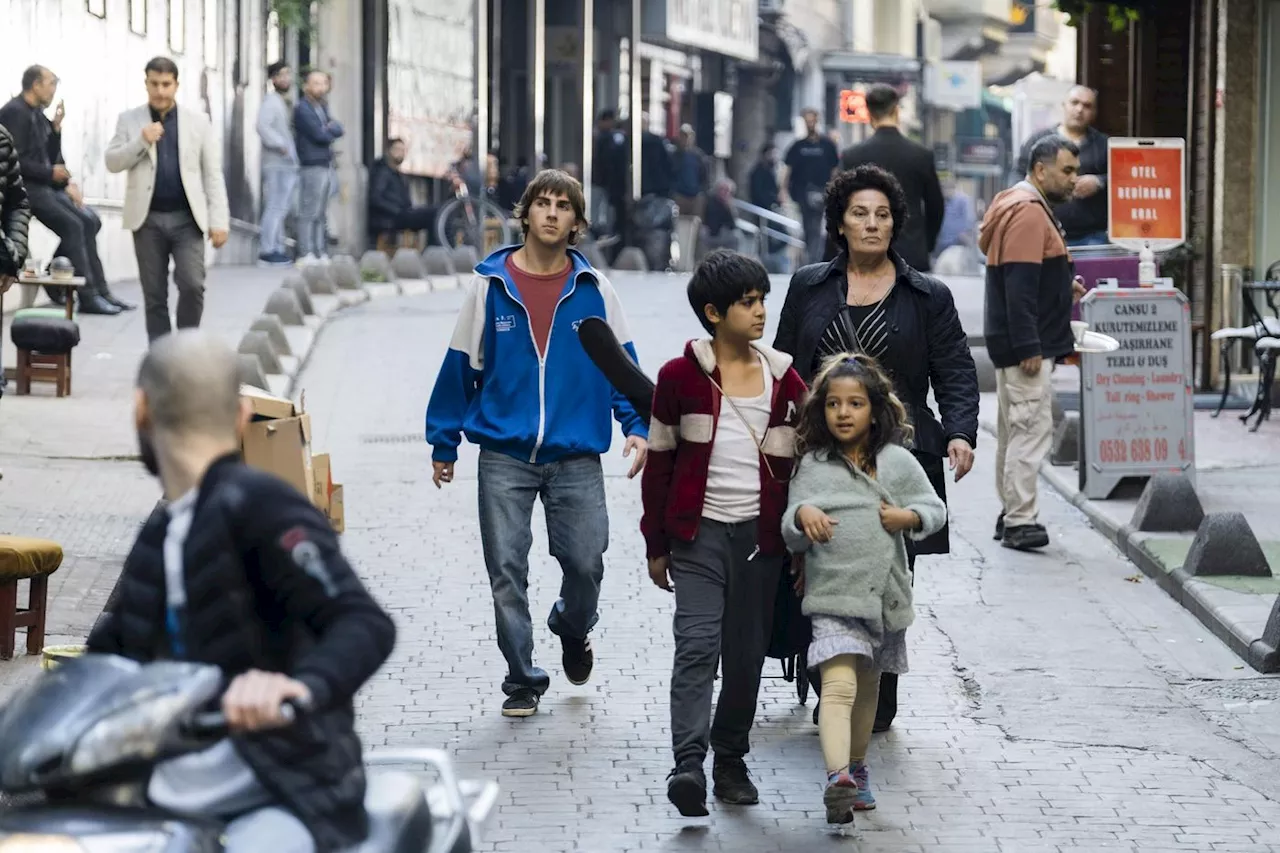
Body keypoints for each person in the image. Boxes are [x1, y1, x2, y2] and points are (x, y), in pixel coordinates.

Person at [85, 329, 397, 853]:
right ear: (242, 415)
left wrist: (296, 688)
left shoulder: (262, 506)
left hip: (282, 792)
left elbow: (362, 621)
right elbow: (112, 654)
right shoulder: (158, 535)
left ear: (141, 410)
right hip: (163, 799)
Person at [425, 169, 649, 718]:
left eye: (563, 206)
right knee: (506, 569)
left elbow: (623, 371)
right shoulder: (490, 284)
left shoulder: (596, 290)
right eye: (542, 203)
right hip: (504, 453)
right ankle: (522, 678)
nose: (551, 213)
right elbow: (460, 367)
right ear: (525, 214)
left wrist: (639, 428)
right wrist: (444, 442)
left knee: (587, 561)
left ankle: (573, 627)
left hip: (576, 454)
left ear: (576, 221)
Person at [773, 164, 978, 732]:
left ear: (895, 224)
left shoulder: (927, 295)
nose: (871, 224)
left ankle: (878, 682)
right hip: (822, 455)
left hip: (899, 457)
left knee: (889, 574)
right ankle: (833, 683)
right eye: (860, 214)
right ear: (840, 223)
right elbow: (785, 368)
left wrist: (960, 431)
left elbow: (955, 368)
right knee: (821, 566)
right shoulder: (809, 285)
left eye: (882, 215)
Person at [642, 249, 808, 818]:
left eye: (763, 298)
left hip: (761, 542)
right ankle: (687, 763)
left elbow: (807, 467)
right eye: (747, 302)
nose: (761, 311)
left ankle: (730, 760)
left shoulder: (786, 381)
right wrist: (656, 543)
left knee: (744, 657)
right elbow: (660, 466)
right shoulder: (678, 378)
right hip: (697, 537)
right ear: (714, 312)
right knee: (696, 648)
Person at [782, 353, 946, 825]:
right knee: (837, 687)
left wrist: (908, 517)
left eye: (855, 403)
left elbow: (933, 509)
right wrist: (802, 516)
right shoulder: (812, 465)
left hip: (884, 599)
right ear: (821, 410)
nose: (844, 412)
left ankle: (857, 767)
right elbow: (789, 529)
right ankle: (837, 779)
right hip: (832, 596)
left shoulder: (896, 462)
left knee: (868, 689)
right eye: (833, 404)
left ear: (875, 409)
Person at [980, 135, 1087, 551]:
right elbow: (1019, 285)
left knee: (1015, 430)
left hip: (1022, 341)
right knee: (1030, 430)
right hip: (1027, 345)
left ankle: (1011, 514)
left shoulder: (1023, 207)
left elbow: (1028, 278)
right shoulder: (1028, 213)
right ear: (1041, 170)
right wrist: (1029, 346)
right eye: (1067, 171)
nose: (1074, 180)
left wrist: (1063, 287)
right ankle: (1021, 520)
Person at [105, 57, 230, 343]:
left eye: (166, 85)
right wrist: (141, 140)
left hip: (188, 220)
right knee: (154, 296)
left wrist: (219, 220)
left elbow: (212, 173)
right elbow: (112, 161)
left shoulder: (198, 122)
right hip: (147, 219)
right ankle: (161, 363)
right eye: (154, 84)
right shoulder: (130, 120)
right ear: (146, 83)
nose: (160, 91)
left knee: (192, 285)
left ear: (176, 85)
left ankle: (186, 352)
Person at [0, 65, 128, 313]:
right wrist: (51, 174)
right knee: (75, 225)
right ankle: (88, 295)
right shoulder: (15, 113)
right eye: (52, 83)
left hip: (44, 187)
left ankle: (100, 289)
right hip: (28, 190)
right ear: (35, 84)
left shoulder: (36, 114)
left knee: (91, 220)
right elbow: (15, 162)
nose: (54, 89)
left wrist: (56, 130)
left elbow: (50, 156)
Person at [836, 85, 944, 273]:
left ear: (869, 113)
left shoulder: (852, 156)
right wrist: (927, 243)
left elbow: (838, 205)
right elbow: (936, 206)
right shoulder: (921, 155)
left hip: (864, 252)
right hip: (911, 252)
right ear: (896, 110)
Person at [1017, 85, 1110, 247]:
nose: (1079, 109)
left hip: (1092, 236)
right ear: (1063, 106)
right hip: (1044, 231)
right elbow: (1018, 176)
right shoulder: (1038, 141)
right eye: (1074, 103)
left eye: (1087, 106)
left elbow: (1124, 181)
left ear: (1094, 113)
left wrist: (1099, 182)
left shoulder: (1104, 145)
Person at [367, 138, 460, 244]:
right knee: (435, 213)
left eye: (402, 150)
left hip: (402, 213)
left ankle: (442, 248)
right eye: (396, 149)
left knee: (440, 211)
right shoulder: (382, 171)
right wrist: (397, 211)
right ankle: (436, 251)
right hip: (390, 217)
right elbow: (375, 199)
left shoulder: (397, 174)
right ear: (388, 151)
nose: (400, 153)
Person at [293, 69, 344, 264]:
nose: (321, 87)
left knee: (322, 212)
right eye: (316, 83)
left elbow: (338, 128)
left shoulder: (322, 107)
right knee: (309, 211)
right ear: (306, 86)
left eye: (323, 83)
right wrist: (328, 129)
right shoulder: (303, 108)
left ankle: (319, 251)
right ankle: (305, 252)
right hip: (311, 164)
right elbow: (319, 135)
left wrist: (329, 128)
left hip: (325, 164)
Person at [782, 108, 838, 264]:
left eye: (812, 120)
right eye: (807, 121)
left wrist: (833, 188)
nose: (810, 124)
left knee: (819, 226)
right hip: (802, 191)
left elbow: (835, 169)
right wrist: (783, 190)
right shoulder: (798, 146)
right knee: (809, 225)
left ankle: (816, 258)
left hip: (823, 190)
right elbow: (787, 168)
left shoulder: (827, 145)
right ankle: (812, 258)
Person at [256, 60, 299, 267]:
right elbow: (262, 126)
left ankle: (277, 249)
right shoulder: (271, 102)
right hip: (276, 163)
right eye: (282, 75)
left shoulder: (282, 101)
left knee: (281, 207)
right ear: (273, 79)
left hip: (286, 163)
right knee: (275, 206)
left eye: (288, 74)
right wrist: (281, 144)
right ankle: (267, 250)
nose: (286, 79)